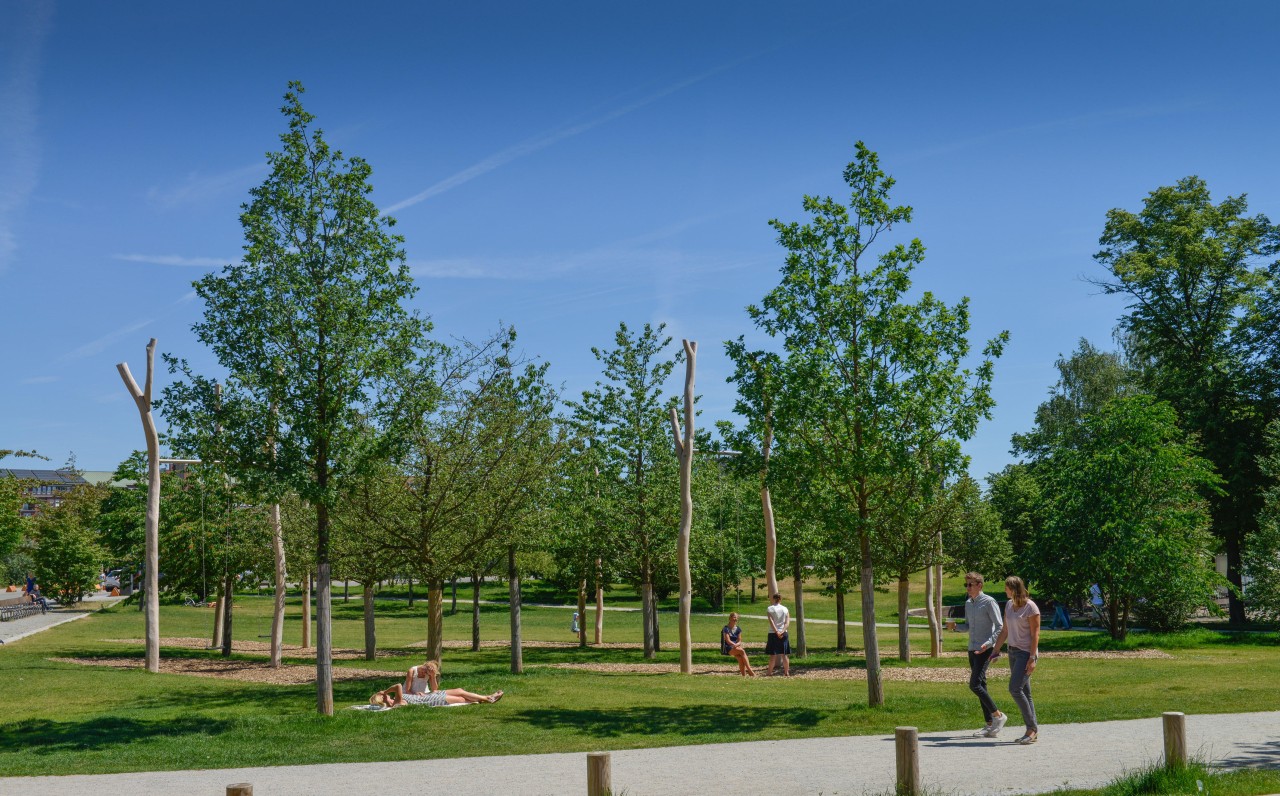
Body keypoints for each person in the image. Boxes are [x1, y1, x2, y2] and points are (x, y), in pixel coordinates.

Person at [992, 576, 1040, 745]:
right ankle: (1032, 730)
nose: (1005, 591)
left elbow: (1035, 634)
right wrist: (996, 650)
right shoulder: (1009, 605)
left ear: (1013, 589)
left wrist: (1032, 658)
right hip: (1012, 652)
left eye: (1006, 588)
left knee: (1014, 689)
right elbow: (1005, 630)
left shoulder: (1030, 607)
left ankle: (1032, 728)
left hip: (1026, 653)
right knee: (1025, 692)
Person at [964, 572, 1007, 738]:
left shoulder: (989, 602)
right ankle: (990, 724)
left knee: (974, 685)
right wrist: (955, 628)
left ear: (980, 585)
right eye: (966, 585)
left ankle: (998, 715)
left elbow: (999, 626)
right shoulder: (968, 603)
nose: (968, 588)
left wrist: (989, 644)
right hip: (972, 648)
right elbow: (967, 626)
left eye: (970, 585)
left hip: (985, 649)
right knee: (981, 684)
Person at [373, 660, 503, 708]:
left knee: (459, 690)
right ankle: (487, 699)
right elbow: (401, 687)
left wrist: (432, 676)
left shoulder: (397, 700)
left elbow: (434, 688)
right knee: (461, 698)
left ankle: (488, 697)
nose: (387, 697)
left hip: (427, 695)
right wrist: (385, 692)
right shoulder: (397, 703)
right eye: (385, 698)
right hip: (426, 697)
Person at [721, 612, 756, 676]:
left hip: (735, 647)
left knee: (740, 658)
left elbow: (739, 640)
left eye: (737, 618)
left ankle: (744, 675)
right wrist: (734, 645)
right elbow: (728, 641)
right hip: (727, 648)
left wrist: (736, 645)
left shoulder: (738, 629)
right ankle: (749, 670)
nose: (735, 619)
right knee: (742, 651)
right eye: (734, 617)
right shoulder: (725, 629)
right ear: (730, 618)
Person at [765, 592, 791, 676]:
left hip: (773, 633)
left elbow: (771, 621)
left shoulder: (770, 608)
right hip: (784, 633)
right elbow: (787, 622)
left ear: (773, 598)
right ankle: (786, 672)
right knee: (784, 655)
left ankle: (769, 672)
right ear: (780, 599)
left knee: (773, 655)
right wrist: (782, 631)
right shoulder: (785, 609)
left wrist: (776, 631)